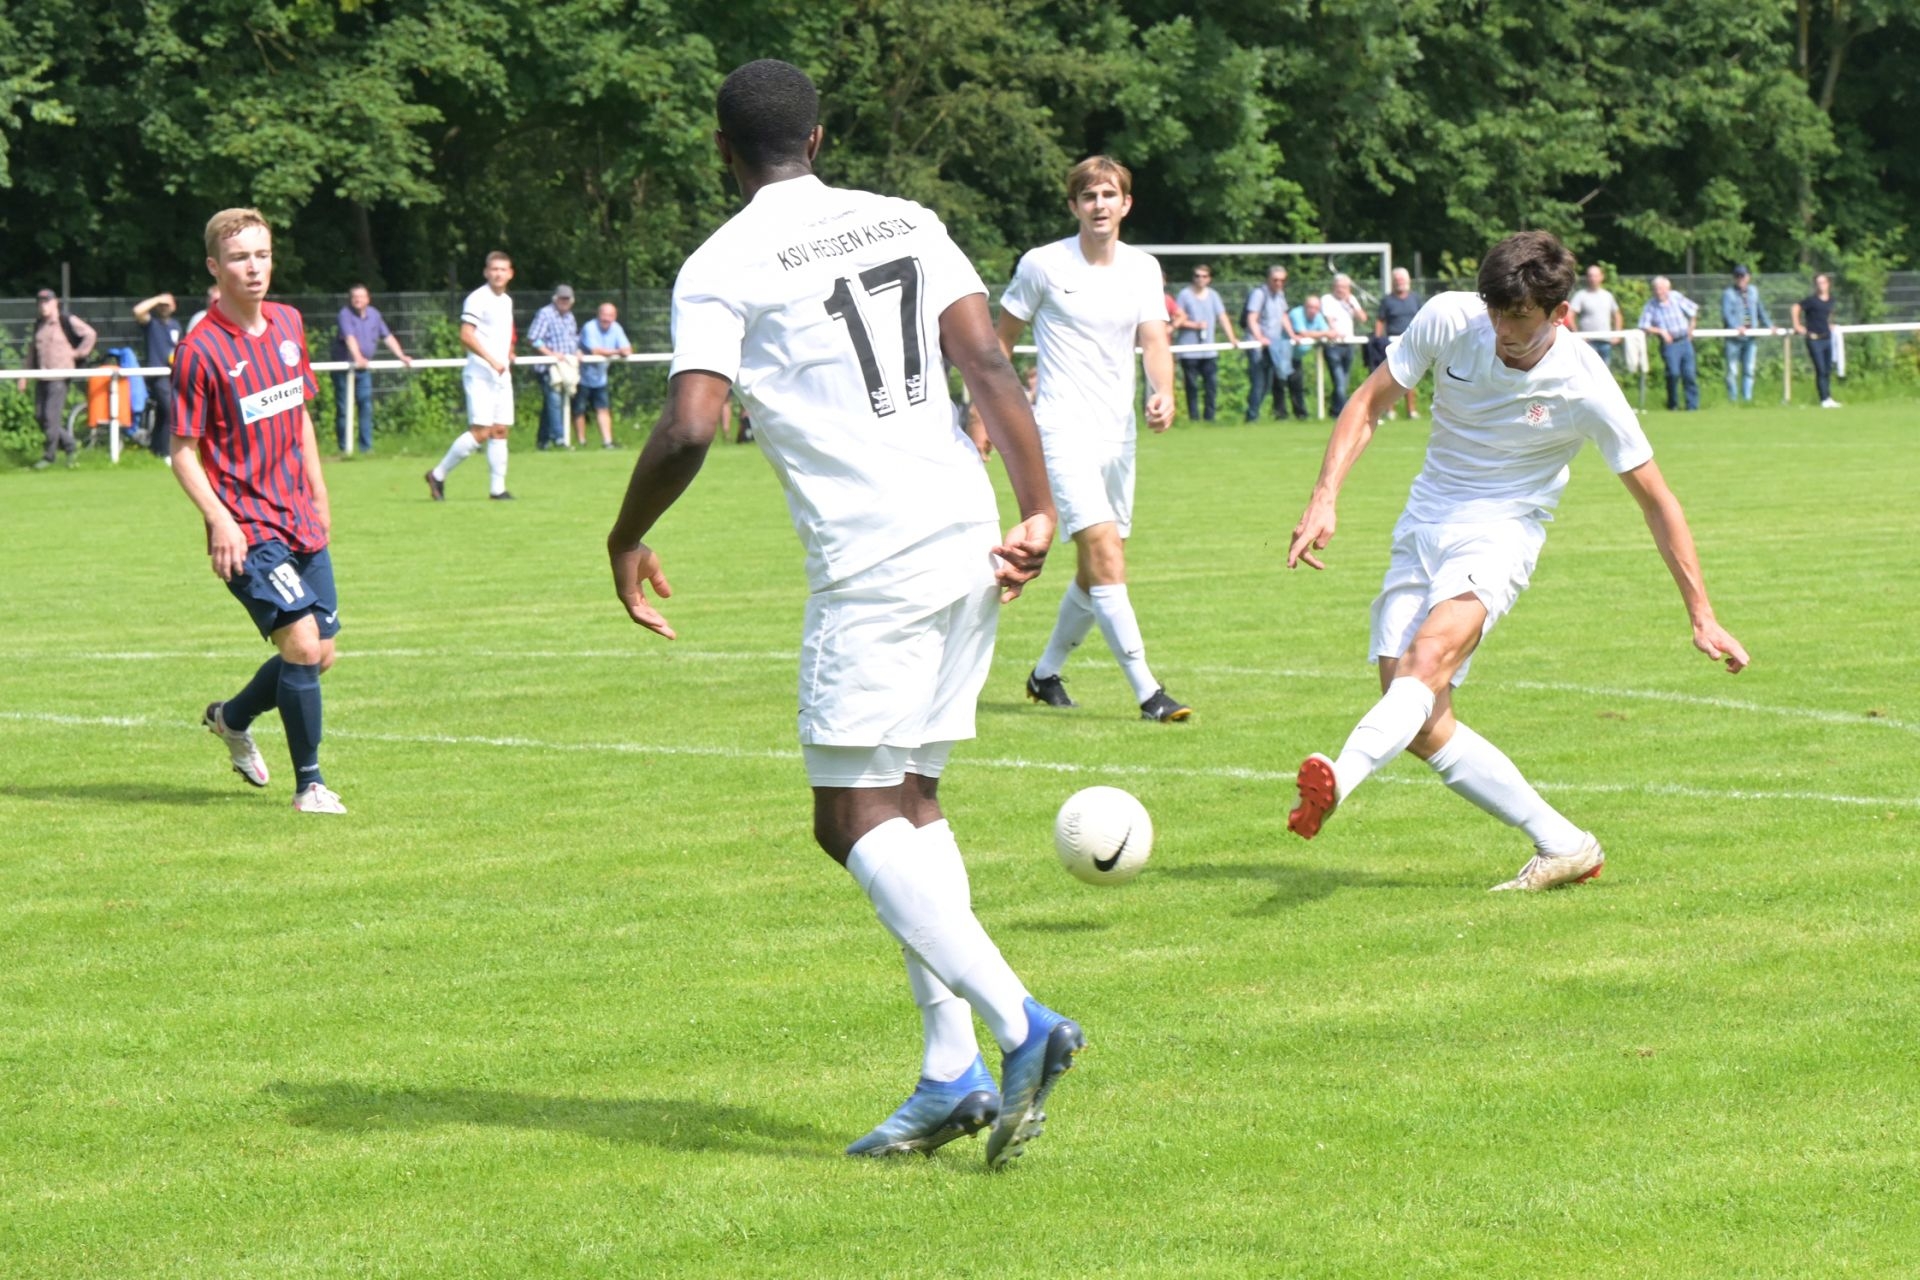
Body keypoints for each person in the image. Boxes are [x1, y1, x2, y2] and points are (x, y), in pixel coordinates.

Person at [606, 58, 1082, 1169]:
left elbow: (688, 424)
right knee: (911, 799)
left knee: (849, 816)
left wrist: (623, 534)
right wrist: (1040, 506)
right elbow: (986, 358)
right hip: (967, 532)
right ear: (817, 139)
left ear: (723, 151)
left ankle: (1023, 1024)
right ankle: (947, 1067)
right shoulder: (906, 218)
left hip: (870, 561)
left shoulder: (720, 262)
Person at [1283, 230, 1749, 891]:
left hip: (1501, 534)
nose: (1505, 330)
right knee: (1414, 712)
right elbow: (1369, 402)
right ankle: (1565, 844)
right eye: (1497, 313)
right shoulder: (1450, 317)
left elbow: (1657, 501)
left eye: (1521, 319)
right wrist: (1324, 496)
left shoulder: (1584, 382)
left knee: (1426, 661)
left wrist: (1702, 614)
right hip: (1424, 520)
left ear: (1559, 312)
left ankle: (1338, 781)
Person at [996, 155, 1189, 722]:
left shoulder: (1143, 268)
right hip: (1059, 429)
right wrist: (985, 416)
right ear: (1074, 205)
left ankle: (1044, 673)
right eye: (1088, 196)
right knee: (1104, 552)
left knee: (1097, 565)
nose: (1099, 205)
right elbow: (998, 343)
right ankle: (1149, 692)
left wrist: (1164, 392)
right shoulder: (1042, 265)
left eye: (1109, 195)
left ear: (1125, 203)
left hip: (1118, 435)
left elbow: (1154, 341)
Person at [169, 208, 344, 814]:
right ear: (215, 268)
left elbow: (299, 415)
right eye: (240, 258)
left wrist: (318, 494)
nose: (254, 268)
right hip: (248, 528)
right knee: (299, 641)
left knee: (321, 651)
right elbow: (183, 453)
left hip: (300, 517)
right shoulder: (199, 351)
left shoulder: (290, 325)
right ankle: (311, 786)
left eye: (263, 255)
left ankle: (231, 718)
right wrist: (219, 519)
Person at [426, 252, 516, 500]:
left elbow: (500, 333)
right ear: (486, 272)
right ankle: (438, 474)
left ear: (510, 273)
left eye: (503, 269)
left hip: (501, 373)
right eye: (494, 269)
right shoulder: (477, 298)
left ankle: (497, 490)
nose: (498, 273)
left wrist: (508, 352)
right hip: (481, 373)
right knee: (480, 431)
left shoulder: (506, 301)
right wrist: (492, 359)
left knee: (500, 430)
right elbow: (466, 335)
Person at [17, 288, 96, 470]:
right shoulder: (39, 325)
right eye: (40, 302)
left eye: (47, 302)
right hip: (41, 376)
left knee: (51, 417)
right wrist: (23, 376)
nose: (43, 305)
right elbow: (31, 353)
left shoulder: (66, 321)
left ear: (55, 303)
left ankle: (49, 456)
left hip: (59, 377)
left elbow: (90, 334)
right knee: (40, 416)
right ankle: (69, 445)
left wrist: (78, 353)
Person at [328, 284, 412, 454]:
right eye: (355, 297)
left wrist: (401, 356)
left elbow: (387, 337)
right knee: (344, 409)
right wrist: (358, 357)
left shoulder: (374, 315)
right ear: (351, 299)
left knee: (366, 406)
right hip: (344, 369)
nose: (358, 300)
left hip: (363, 369)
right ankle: (344, 449)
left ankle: (366, 449)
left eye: (361, 296)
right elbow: (350, 338)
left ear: (368, 298)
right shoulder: (345, 314)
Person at [1172, 264, 1238, 421]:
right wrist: (1195, 325)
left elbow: (1222, 316)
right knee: (1192, 386)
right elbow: (1177, 319)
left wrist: (1232, 337)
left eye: (1204, 276)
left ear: (1209, 279)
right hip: (1189, 350)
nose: (1200, 279)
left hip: (1209, 350)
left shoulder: (1213, 295)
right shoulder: (1185, 295)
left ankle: (1210, 417)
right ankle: (1193, 417)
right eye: (1197, 276)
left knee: (1211, 385)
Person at [527, 284, 580, 450]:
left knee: (551, 404)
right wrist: (550, 353)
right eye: (561, 298)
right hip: (548, 367)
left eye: (567, 299)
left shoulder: (570, 317)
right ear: (555, 299)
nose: (564, 302)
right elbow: (533, 338)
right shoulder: (545, 314)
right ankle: (559, 438)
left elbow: (573, 339)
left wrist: (577, 351)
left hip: (566, 367)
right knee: (554, 401)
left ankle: (543, 441)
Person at [132, 292, 184, 458]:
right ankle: (167, 452)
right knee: (170, 410)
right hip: (157, 375)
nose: (164, 308)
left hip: (171, 373)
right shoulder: (151, 324)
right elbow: (137, 311)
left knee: (163, 414)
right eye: (161, 305)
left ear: (174, 307)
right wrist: (157, 299)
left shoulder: (176, 325)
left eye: (167, 305)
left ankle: (156, 449)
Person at [576, 301, 632, 448]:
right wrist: (617, 352)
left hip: (600, 377)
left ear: (615, 317)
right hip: (580, 376)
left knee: (603, 409)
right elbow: (596, 350)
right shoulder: (590, 327)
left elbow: (627, 348)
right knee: (579, 409)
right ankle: (581, 443)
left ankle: (607, 442)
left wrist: (623, 350)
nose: (607, 318)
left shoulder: (616, 328)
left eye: (610, 315)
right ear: (598, 314)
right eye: (604, 314)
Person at [1243, 265, 1296, 421]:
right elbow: (1251, 318)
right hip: (1259, 346)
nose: (1279, 283)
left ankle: (1254, 414)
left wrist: (1293, 334)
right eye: (1276, 280)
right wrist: (1260, 338)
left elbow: (1283, 316)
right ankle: (1251, 416)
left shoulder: (1279, 295)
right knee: (1259, 382)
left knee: (1267, 384)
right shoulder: (1259, 294)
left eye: (1282, 280)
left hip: (1274, 345)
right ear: (1268, 279)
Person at [1639, 276, 1699, 411]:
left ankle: (1692, 406)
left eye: (1661, 288)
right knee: (1673, 373)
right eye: (1655, 289)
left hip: (1684, 340)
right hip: (1670, 344)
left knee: (1689, 374)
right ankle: (1673, 404)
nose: (1658, 292)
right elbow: (1644, 325)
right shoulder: (1651, 305)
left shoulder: (1676, 297)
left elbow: (1693, 310)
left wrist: (1692, 326)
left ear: (1668, 288)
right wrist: (1661, 331)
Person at [1374, 267, 1423, 419]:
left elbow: (1423, 318)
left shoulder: (1415, 298)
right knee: (1391, 377)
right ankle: (1390, 410)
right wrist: (1378, 339)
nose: (1399, 282)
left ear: (1408, 281)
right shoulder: (1387, 300)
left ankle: (1411, 410)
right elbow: (1380, 320)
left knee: (1411, 377)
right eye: (1397, 280)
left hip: (1411, 341)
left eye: (1402, 280)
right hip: (1392, 341)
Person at [1720, 266, 1770, 404]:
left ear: (1748, 277)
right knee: (1732, 370)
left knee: (1749, 369)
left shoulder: (1754, 291)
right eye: (1738, 276)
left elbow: (1760, 310)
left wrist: (1769, 325)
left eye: (1743, 276)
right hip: (1733, 339)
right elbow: (1726, 314)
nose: (1740, 279)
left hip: (1750, 337)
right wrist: (1736, 327)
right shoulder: (1728, 294)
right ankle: (1733, 400)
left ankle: (1747, 400)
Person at [1319, 274, 1368, 414]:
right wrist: (1334, 331)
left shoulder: (1351, 299)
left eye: (1345, 287)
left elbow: (1363, 318)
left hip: (1349, 344)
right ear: (1334, 286)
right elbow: (1329, 319)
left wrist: (1351, 304)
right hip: (1334, 345)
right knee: (1339, 381)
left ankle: (1335, 410)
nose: (1341, 290)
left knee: (1344, 382)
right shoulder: (1327, 299)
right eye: (1339, 287)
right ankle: (1343, 412)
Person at [1791, 273, 1841, 408]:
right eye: (1818, 283)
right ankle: (1823, 398)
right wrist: (1797, 325)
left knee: (1827, 369)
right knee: (1820, 368)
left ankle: (1828, 397)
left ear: (1828, 284)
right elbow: (1795, 307)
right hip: (1814, 339)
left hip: (1827, 338)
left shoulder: (1831, 300)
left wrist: (1830, 324)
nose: (1821, 285)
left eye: (1823, 282)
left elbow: (1828, 314)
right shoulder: (1811, 301)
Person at [1568, 264, 1624, 366]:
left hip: (1605, 341)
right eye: (1590, 276)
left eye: (1595, 275)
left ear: (1601, 277)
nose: (1593, 278)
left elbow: (1617, 315)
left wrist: (1617, 334)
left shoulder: (1607, 295)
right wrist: (1577, 334)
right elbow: (1569, 315)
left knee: (1605, 374)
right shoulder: (1581, 295)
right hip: (1587, 342)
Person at [1285, 293, 1330, 417]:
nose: (1313, 311)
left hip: (1296, 357)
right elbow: (1303, 333)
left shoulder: (1318, 316)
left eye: (1316, 308)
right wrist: (1322, 333)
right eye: (1310, 307)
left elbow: (1326, 332)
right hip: (1281, 355)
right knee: (1277, 387)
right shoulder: (1296, 313)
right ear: (1305, 306)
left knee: (1297, 385)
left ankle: (1300, 415)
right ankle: (1279, 415)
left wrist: (1321, 333)